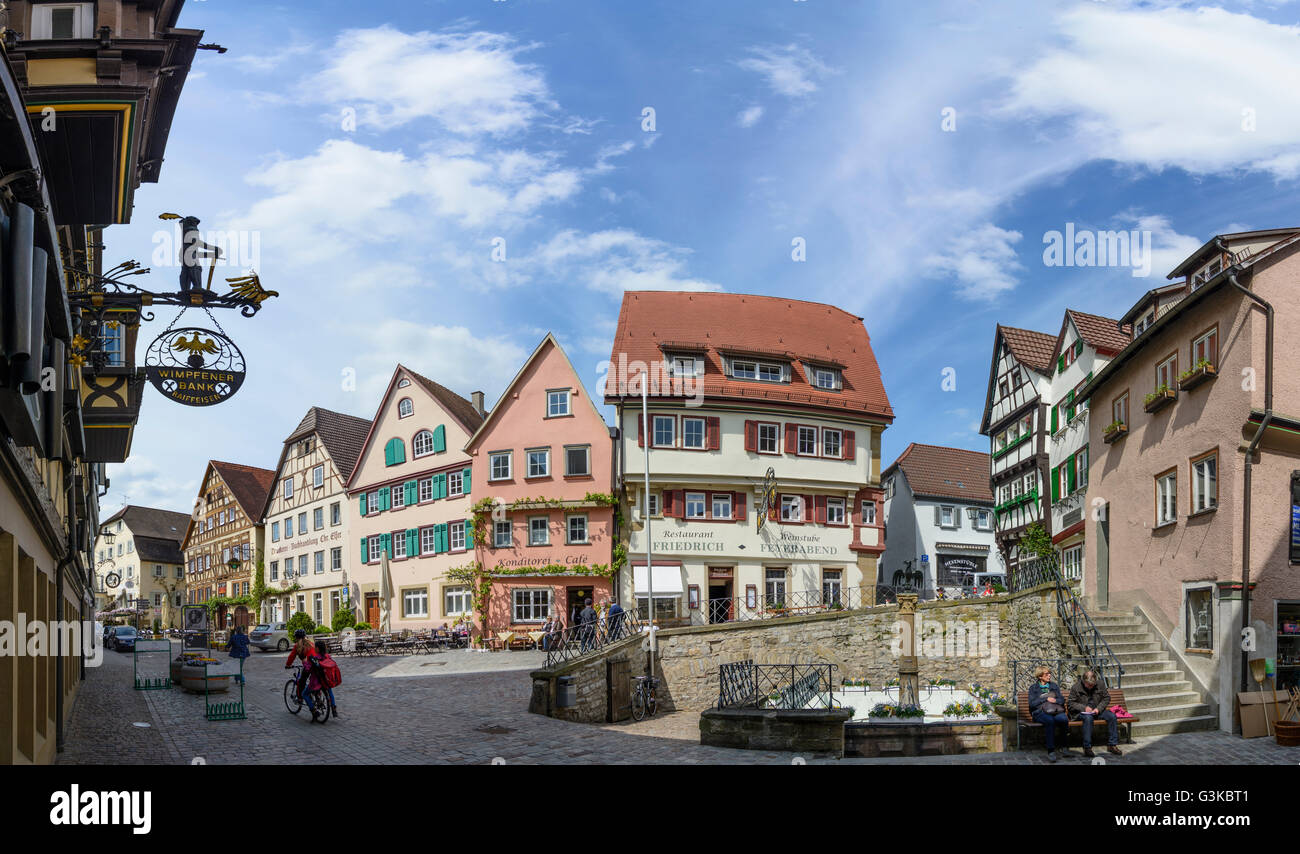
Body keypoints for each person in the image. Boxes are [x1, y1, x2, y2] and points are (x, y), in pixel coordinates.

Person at [1068, 669, 1122, 757]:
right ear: (1083, 681)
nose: (1090, 687)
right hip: (1081, 713)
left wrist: (1098, 708)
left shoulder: (1100, 684)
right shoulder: (1076, 687)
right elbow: (1070, 703)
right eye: (1088, 685)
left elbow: (1106, 698)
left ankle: (1112, 745)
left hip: (1097, 711)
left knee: (1112, 716)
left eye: (1092, 685)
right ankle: (1087, 747)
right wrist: (1084, 708)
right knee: (1088, 718)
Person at [1028, 664, 1073, 761]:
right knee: (1049, 721)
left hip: (1054, 711)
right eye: (1046, 674)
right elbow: (1032, 704)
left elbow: (1061, 699)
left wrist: (1055, 701)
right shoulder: (1033, 688)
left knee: (1063, 719)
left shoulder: (1054, 686)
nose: (1049, 676)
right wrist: (1045, 699)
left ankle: (1064, 747)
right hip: (1039, 712)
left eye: (1049, 674)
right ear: (1040, 676)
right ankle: (1051, 750)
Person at [304, 639, 339, 720]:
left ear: (318, 649)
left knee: (304, 694)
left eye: (315, 647)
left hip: (316, 682)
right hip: (326, 681)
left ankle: (314, 711)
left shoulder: (314, 659)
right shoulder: (328, 656)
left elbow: (308, 669)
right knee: (329, 691)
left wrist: (305, 662)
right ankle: (333, 708)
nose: (314, 649)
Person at [285, 629, 315, 705]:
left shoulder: (297, 646)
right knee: (314, 680)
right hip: (317, 664)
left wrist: (288, 665)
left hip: (309, 666)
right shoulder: (310, 643)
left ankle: (300, 698)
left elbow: (291, 657)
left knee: (301, 682)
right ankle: (317, 695)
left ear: (296, 638)